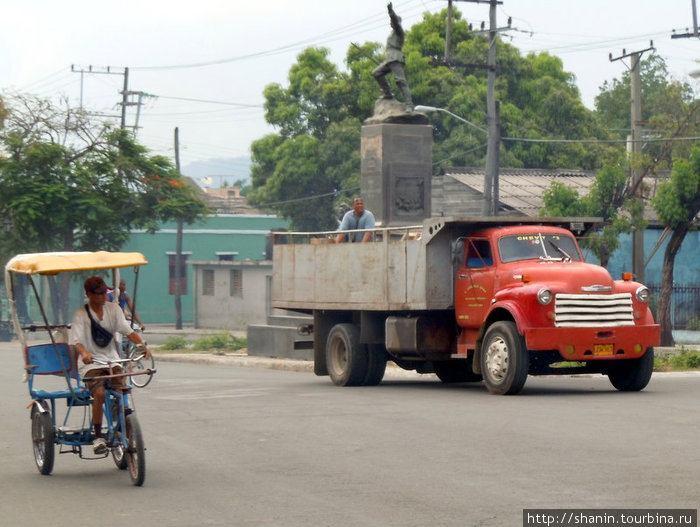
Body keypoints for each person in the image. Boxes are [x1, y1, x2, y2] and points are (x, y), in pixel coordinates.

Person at [69, 276, 151, 454]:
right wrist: (84, 353)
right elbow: (76, 341)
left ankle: (124, 424)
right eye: (98, 293)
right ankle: (98, 437)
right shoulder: (81, 314)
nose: (103, 296)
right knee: (99, 393)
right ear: (89, 294)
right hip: (91, 364)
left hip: (112, 360)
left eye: (104, 292)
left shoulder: (114, 309)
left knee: (122, 390)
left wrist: (143, 345)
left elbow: (128, 331)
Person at [372, 2, 413, 111]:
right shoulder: (392, 33)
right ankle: (388, 93)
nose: (391, 23)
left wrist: (391, 11)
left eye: (392, 22)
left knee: (400, 81)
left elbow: (395, 21)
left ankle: (409, 105)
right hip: (389, 59)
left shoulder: (399, 32)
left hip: (396, 58)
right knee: (377, 73)